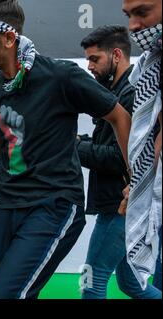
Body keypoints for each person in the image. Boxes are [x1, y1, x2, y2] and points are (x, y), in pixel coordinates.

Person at [0, 0, 132, 299]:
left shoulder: (60, 75)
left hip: (53, 205)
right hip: (5, 208)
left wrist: (134, 179)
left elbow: (120, 116)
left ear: (9, 38)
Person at [78, 25, 161, 299]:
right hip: (122, 203)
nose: (89, 66)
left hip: (123, 205)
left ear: (116, 55)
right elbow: (111, 147)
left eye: (94, 59)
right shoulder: (118, 92)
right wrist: (82, 141)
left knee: (91, 280)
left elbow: (119, 157)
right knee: (131, 283)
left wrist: (73, 146)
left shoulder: (132, 93)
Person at [121, 0, 162, 290]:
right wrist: (137, 186)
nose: (134, 25)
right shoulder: (151, 66)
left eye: (142, 12)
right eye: (129, 15)